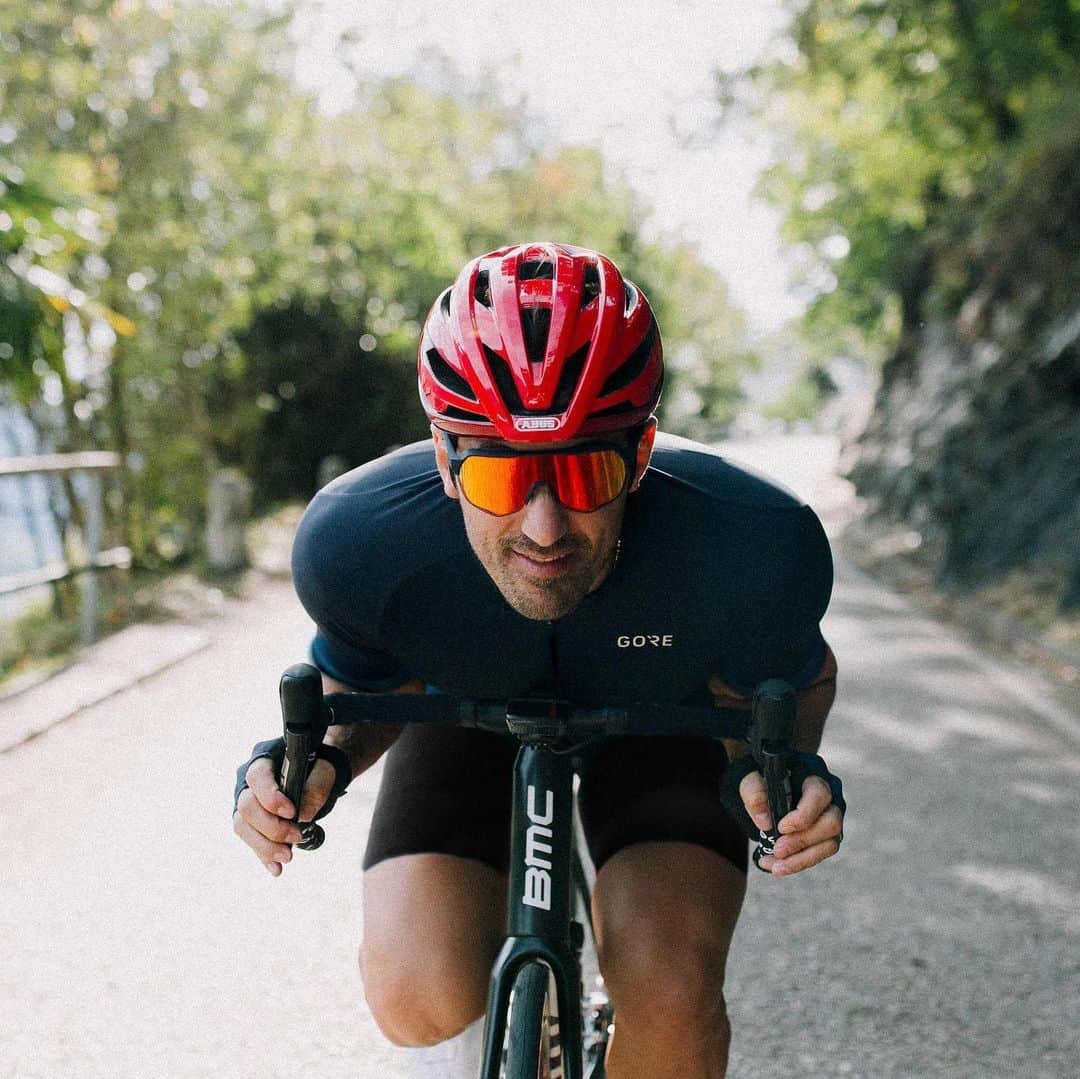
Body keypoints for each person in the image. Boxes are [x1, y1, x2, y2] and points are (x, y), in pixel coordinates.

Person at [233, 241, 844, 1078]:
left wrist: (776, 768)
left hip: (662, 720)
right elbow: (362, 686)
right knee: (415, 989)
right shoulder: (358, 543)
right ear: (445, 458)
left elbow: (792, 680)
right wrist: (317, 765)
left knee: (670, 989)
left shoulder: (753, 546)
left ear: (642, 452)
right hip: (466, 712)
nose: (545, 527)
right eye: (498, 480)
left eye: (589, 473)